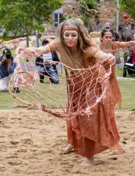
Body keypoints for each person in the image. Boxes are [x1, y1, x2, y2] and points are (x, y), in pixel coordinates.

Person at [21, 18, 120, 167]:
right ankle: (72, 142)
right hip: (74, 85)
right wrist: (32, 51)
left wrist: (108, 56)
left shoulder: (86, 48)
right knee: (72, 113)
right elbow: (43, 50)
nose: (69, 38)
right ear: (62, 34)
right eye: (66, 35)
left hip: (91, 86)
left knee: (88, 119)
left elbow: (99, 53)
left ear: (79, 35)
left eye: (73, 35)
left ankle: (89, 157)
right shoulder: (60, 44)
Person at [98, 28, 135, 107]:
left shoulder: (114, 45)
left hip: (111, 75)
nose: (108, 39)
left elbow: (128, 43)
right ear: (101, 38)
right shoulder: (98, 47)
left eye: (110, 37)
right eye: (106, 37)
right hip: (101, 75)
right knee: (101, 97)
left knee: (111, 98)